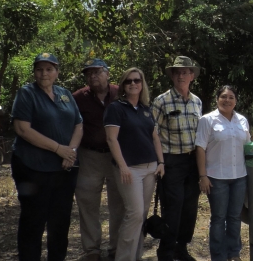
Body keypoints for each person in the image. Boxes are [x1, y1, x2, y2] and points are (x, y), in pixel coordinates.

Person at [10, 52, 82, 261]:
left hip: (63, 169)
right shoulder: (26, 93)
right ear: (34, 72)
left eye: (49, 69)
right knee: (33, 222)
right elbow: (22, 129)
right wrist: (59, 148)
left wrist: (71, 152)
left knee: (60, 223)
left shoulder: (65, 94)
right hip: (33, 169)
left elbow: (79, 124)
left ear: (57, 72)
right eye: (39, 69)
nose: (44, 74)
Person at [104, 67, 165, 261]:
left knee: (141, 215)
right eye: (128, 81)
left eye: (137, 80)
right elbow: (112, 140)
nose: (133, 84)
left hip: (150, 168)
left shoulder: (146, 110)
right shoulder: (116, 108)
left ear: (142, 84)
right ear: (123, 85)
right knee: (135, 214)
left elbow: (155, 139)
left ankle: (135, 256)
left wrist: (161, 162)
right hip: (129, 169)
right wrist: (122, 166)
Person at [151, 56, 204, 261]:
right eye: (177, 72)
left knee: (190, 208)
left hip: (193, 162)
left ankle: (181, 249)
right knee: (173, 208)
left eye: (185, 72)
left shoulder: (197, 101)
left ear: (192, 76)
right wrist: (160, 162)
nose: (181, 75)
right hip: (171, 162)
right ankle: (166, 251)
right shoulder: (161, 101)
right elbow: (152, 133)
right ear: (172, 76)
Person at [73, 58, 125, 261]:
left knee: (119, 201)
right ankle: (92, 249)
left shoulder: (120, 93)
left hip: (116, 156)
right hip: (89, 155)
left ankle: (116, 247)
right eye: (89, 73)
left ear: (107, 73)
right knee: (87, 202)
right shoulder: (78, 97)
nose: (92, 76)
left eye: (97, 72)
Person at [195, 86, 250, 261]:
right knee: (218, 218)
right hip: (216, 178)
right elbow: (200, 148)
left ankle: (234, 253)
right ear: (217, 98)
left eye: (231, 97)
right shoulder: (207, 120)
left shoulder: (242, 120)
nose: (227, 100)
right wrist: (203, 176)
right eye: (224, 97)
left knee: (234, 217)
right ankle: (218, 255)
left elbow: (247, 147)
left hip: (239, 176)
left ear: (236, 101)